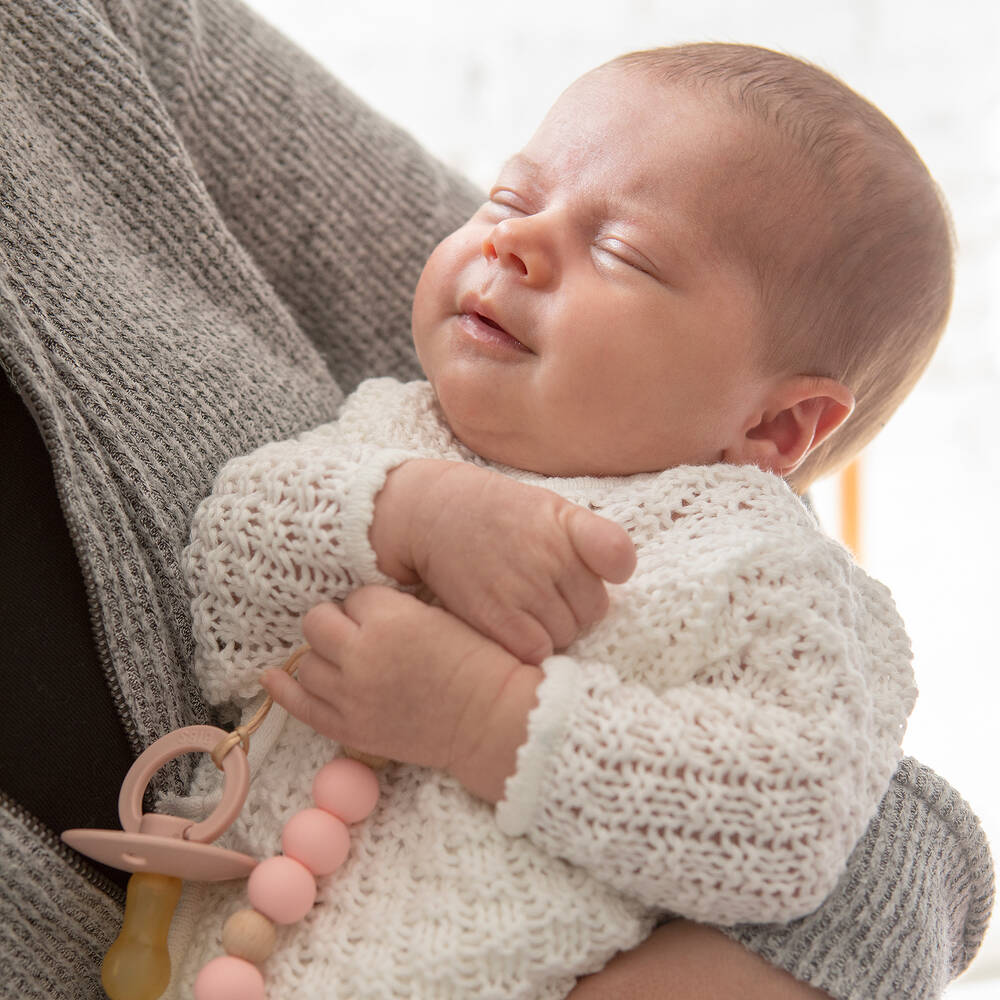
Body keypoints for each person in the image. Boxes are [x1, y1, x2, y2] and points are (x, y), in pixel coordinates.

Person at [0, 3, 991, 1000]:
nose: (513, 242)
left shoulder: (757, 574)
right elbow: (229, 581)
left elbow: (796, 829)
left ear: (776, 431)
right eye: (507, 196)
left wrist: (491, 718)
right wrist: (400, 512)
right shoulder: (396, 437)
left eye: (625, 252)